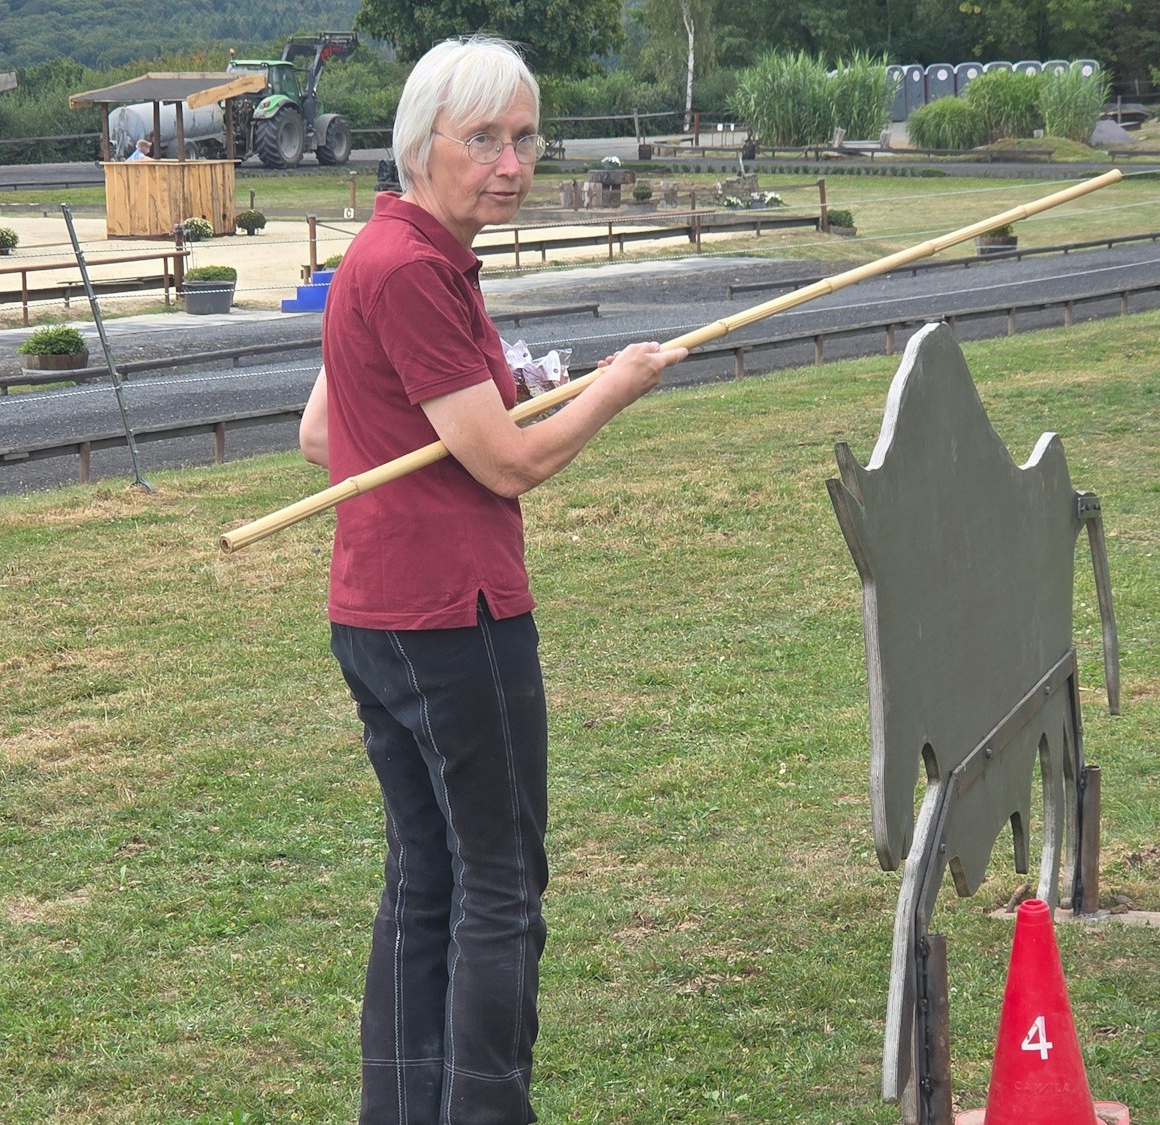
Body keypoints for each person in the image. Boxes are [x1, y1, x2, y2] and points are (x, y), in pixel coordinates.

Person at [297, 35, 685, 1125]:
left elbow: (321, 435)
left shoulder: (374, 252)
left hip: (371, 613)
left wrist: (469, 403)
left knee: (428, 877)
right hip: (453, 619)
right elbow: (509, 464)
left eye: (524, 138)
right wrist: (615, 387)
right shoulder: (417, 269)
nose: (510, 163)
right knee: (501, 888)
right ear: (424, 146)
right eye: (483, 141)